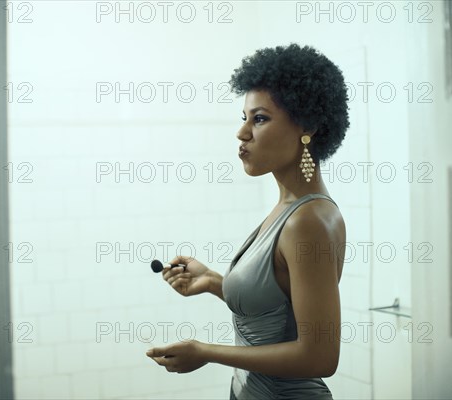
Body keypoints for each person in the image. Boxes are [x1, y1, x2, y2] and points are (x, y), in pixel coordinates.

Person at [146, 43, 350, 400]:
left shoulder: (309, 221)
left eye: (260, 118)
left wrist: (205, 352)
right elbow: (275, 312)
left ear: (309, 127)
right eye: (244, 118)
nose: (242, 133)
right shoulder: (290, 208)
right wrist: (211, 281)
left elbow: (319, 356)